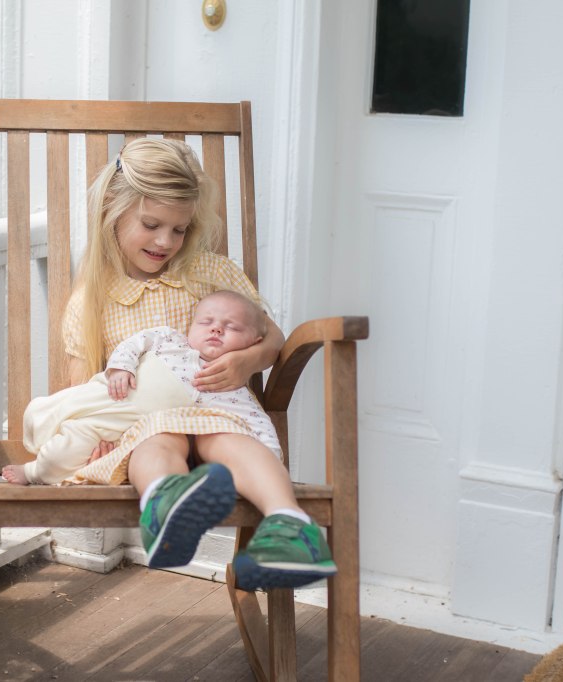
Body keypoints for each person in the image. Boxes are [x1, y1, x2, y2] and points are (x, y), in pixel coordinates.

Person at [38, 137, 335, 590]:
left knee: (235, 443)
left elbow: (271, 334)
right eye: (151, 224)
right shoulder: (93, 300)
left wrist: (248, 361)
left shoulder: (210, 271)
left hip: (220, 412)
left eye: (178, 229)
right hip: (149, 425)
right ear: (112, 212)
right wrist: (93, 434)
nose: (166, 241)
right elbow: (84, 387)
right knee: (156, 445)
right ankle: (172, 505)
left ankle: (291, 529)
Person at [3, 290, 282, 487]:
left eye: (232, 327)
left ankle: (33, 471)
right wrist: (121, 367)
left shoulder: (229, 389)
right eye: (206, 322)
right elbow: (136, 343)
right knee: (49, 410)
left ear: (253, 342)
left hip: (121, 434)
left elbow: (257, 425)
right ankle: (42, 423)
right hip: (111, 392)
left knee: (63, 455)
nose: (216, 329)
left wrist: (272, 463)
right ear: (191, 326)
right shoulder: (170, 340)